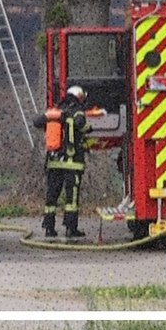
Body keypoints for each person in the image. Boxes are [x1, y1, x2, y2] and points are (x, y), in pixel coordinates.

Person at [36, 85, 105, 239]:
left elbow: (37, 122)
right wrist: (89, 128)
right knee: (71, 198)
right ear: (79, 97)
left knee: (52, 195)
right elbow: (82, 124)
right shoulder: (77, 111)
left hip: (54, 161)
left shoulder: (56, 111)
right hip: (72, 162)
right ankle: (70, 228)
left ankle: (49, 228)